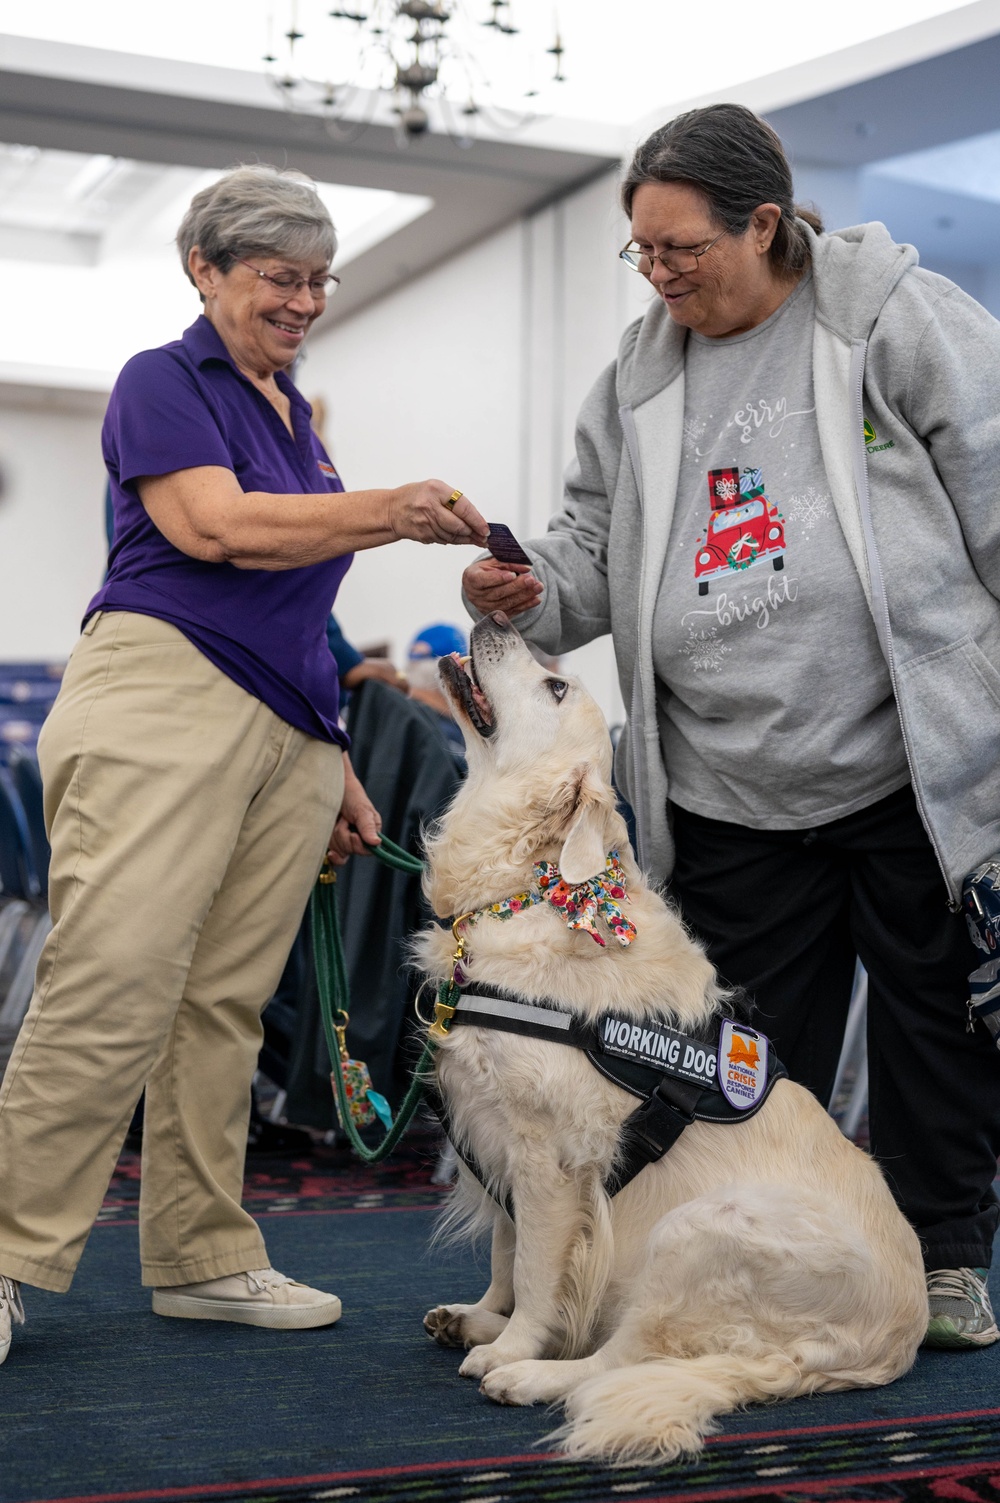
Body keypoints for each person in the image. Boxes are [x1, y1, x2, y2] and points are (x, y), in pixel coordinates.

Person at [463, 103, 1000, 1349]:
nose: (658, 276)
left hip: (904, 761)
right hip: (724, 783)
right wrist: (529, 589)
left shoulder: (889, 319)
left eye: (680, 249)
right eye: (640, 253)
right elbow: (591, 551)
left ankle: (944, 1260)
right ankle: (748, 1264)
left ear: (765, 222)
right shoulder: (641, 375)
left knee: (938, 1026)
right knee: (743, 1062)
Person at [0, 164, 488, 1365]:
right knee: (111, 984)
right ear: (203, 270)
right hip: (161, 692)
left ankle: (202, 1254)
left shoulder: (291, 412)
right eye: (278, 277)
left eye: (319, 280)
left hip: (287, 727)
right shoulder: (165, 382)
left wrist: (336, 765)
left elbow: (297, 611)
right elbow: (211, 530)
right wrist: (389, 508)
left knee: (223, 1008)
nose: (304, 301)